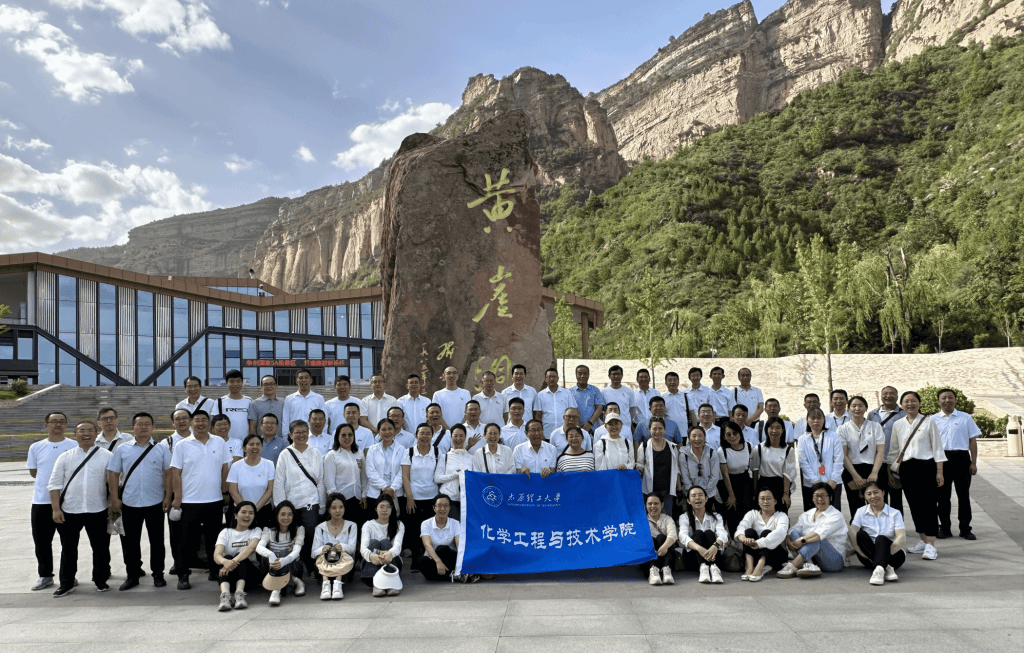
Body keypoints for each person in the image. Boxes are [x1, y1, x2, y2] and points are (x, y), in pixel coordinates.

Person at [48, 421, 113, 597]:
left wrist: (112, 505)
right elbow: (54, 484)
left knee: (100, 548)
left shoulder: (107, 455)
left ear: (96, 433)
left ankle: (100, 580)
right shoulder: (65, 457)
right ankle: (66, 583)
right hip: (70, 510)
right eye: (82, 430)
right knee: (68, 549)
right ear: (75, 434)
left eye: (90, 430)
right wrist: (56, 509)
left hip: (98, 509)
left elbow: (113, 483)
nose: (86, 434)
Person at [106, 412, 171, 591]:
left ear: (153, 427)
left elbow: (168, 474)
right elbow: (113, 474)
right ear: (132, 427)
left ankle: (158, 574)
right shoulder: (122, 449)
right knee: (130, 542)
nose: (143, 427)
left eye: (147, 424)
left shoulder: (162, 449)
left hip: (155, 502)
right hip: (129, 503)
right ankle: (132, 575)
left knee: (157, 541)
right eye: (139, 424)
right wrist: (114, 499)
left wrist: (167, 496)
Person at [170, 410, 232, 590]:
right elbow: (176, 473)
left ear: (209, 423)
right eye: (196, 420)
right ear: (191, 423)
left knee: (214, 539)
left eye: (204, 420)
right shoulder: (182, 445)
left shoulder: (219, 442)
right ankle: (183, 574)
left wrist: (224, 491)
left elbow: (225, 468)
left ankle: (214, 569)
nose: (200, 423)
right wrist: (177, 497)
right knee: (186, 541)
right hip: (189, 501)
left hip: (214, 500)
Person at [887, 390, 945, 561]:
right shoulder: (898, 424)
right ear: (901, 405)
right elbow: (894, 450)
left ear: (919, 403)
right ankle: (923, 539)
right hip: (907, 468)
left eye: (913, 401)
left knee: (929, 505)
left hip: (926, 467)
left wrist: (939, 471)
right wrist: (892, 469)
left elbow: (937, 447)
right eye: (906, 401)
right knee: (914, 505)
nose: (910, 404)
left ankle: (931, 545)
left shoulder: (929, 421)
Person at [27, 411, 77, 592]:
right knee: (41, 542)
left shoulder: (74, 445)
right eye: (54, 421)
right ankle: (45, 575)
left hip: (68, 502)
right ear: (46, 425)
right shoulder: (36, 447)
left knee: (69, 543)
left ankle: (69, 575)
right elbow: (34, 472)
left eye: (62, 421)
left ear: (66, 425)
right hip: (41, 501)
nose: (58, 424)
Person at [273, 420, 326, 576]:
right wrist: (281, 506)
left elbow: (320, 480)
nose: (301, 435)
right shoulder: (285, 454)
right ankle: (293, 567)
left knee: (311, 534)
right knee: (292, 536)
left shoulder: (315, 452)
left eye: (304, 432)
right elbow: (279, 482)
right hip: (291, 503)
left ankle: (311, 565)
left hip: (311, 502)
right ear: (291, 435)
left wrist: (322, 504)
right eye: (297, 432)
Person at [932, 388, 981, 540]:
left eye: (950, 397)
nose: (947, 400)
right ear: (939, 401)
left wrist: (973, 462)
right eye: (943, 398)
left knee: (964, 496)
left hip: (962, 458)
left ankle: (965, 529)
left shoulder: (965, 418)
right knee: (942, 497)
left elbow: (972, 441)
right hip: (941, 459)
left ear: (955, 400)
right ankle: (944, 528)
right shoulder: (932, 420)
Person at [777, 482, 848, 578]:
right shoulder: (806, 514)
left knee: (817, 539)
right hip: (815, 558)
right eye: (816, 496)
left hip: (834, 561)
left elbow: (820, 534)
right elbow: (794, 528)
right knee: (794, 533)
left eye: (823, 496)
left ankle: (793, 565)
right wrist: (788, 540)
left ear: (830, 498)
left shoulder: (836, 515)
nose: (820, 499)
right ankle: (810, 564)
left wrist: (802, 540)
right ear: (812, 497)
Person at [401, 418, 441, 568]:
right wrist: (409, 497)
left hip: (432, 497)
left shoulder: (437, 452)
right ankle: (415, 561)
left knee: (430, 529)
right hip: (414, 497)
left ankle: (429, 559)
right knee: (414, 529)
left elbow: (439, 475)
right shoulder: (409, 452)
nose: (424, 436)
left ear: (432, 435)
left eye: (428, 433)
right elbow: (405, 476)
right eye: (421, 433)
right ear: (416, 435)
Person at [849, 481, 906, 585]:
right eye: (869, 494)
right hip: (867, 556)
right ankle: (885, 567)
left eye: (876, 492)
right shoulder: (860, 511)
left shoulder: (895, 513)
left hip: (894, 555)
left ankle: (879, 568)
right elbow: (852, 532)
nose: (873, 496)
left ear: (883, 493)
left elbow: (901, 537)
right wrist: (859, 551)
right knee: (861, 535)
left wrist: (884, 555)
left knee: (881, 538)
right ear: (865, 497)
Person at [837, 396, 885, 520]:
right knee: (856, 504)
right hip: (851, 470)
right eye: (853, 406)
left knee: (876, 502)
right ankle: (859, 529)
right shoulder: (842, 429)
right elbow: (843, 454)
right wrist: (855, 475)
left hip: (872, 469)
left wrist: (874, 472)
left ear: (866, 408)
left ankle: (878, 528)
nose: (857, 408)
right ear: (848, 408)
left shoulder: (875, 426)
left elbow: (880, 451)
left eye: (860, 406)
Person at [213, 501, 262, 611]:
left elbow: (251, 548)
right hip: (229, 577)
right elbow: (217, 555)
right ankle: (225, 596)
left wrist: (232, 562)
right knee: (226, 558)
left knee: (240, 557)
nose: (247, 515)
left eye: (251, 513)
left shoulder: (256, 530)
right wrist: (225, 562)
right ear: (235, 515)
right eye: (243, 512)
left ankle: (240, 595)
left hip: (250, 577)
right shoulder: (226, 532)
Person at [256, 501, 305, 605]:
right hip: (272, 566)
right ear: (277, 515)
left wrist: (283, 561)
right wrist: (272, 556)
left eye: (289, 514)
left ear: (293, 516)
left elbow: (297, 551)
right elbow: (259, 547)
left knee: (284, 553)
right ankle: (296, 581)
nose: (286, 517)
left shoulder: (299, 529)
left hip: (293, 567)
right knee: (269, 555)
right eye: (282, 514)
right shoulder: (268, 530)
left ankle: (276, 590)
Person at [736, 487, 789, 582]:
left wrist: (759, 543)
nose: (765, 501)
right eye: (762, 498)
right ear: (758, 501)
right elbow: (742, 526)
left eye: (768, 498)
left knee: (766, 533)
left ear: (775, 501)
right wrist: (743, 538)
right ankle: (749, 566)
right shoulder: (752, 514)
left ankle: (760, 566)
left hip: (775, 556)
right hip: (754, 553)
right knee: (749, 532)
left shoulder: (782, 516)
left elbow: (781, 532)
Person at [795, 407, 844, 511]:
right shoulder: (802, 439)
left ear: (824, 420)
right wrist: (815, 482)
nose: (816, 420)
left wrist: (833, 479)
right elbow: (803, 462)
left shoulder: (833, 436)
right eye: (813, 418)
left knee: (833, 513)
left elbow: (839, 460)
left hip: (832, 483)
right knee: (813, 514)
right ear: (807, 420)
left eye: (819, 418)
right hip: (811, 485)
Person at [420, 494, 476, 582]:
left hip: (449, 559)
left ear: (450, 508)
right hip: (434, 559)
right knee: (421, 561)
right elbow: (427, 545)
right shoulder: (426, 524)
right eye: (439, 506)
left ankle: (450, 574)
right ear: (434, 508)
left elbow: (459, 543)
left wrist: (460, 563)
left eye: (446, 506)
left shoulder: (455, 523)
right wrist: (438, 561)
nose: (442, 509)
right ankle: (454, 576)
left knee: (442, 549)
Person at [678, 486, 728, 584]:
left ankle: (714, 568)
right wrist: (699, 549)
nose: (697, 498)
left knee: (709, 533)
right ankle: (703, 568)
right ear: (688, 501)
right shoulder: (684, 517)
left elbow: (723, 534)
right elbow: (683, 536)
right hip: (693, 558)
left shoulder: (716, 516)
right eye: (693, 496)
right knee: (698, 533)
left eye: (700, 495)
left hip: (714, 555)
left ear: (706, 499)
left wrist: (715, 546)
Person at [312, 493, 358, 600]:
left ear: (344, 508)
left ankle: (338, 585)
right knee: (328, 547)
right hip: (323, 569)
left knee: (338, 550)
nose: (338, 510)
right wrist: (322, 549)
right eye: (334, 508)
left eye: (341, 507)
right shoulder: (320, 528)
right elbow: (313, 553)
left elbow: (352, 550)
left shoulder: (351, 526)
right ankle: (325, 585)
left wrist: (342, 547)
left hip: (345, 568)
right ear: (328, 509)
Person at [163, 408, 192, 577]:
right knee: (176, 530)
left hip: (196, 491)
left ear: (190, 420)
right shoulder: (166, 443)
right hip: (175, 492)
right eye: (178, 419)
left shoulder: (201, 438)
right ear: (173, 423)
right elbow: (165, 471)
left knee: (193, 529)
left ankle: (193, 559)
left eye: (185, 418)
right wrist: (169, 495)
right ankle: (178, 561)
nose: (181, 421)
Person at [868, 386, 905, 511]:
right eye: (885, 393)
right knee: (877, 497)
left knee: (896, 498)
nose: (888, 396)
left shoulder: (903, 414)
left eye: (892, 393)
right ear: (881, 395)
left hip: (895, 463)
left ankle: (896, 523)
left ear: (897, 396)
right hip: (876, 464)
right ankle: (879, 522)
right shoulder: (872, 414)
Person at [226, 434, 276, 527]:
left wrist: (254, 510)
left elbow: (270, 490)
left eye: (258, 444)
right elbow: (233, 491)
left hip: (263, 510)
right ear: (244, 448)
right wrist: (246, 510)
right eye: (251, 444)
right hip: (241, 511)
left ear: (261, 447)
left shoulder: (269, 464)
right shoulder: (236, 466)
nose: (255, 447)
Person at [750, 417, 796, 515]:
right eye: (771, 427)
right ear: (766, 430)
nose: (774, 431)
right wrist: (755, 492)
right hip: (763, 485)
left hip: (780, 486)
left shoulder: (788, 450)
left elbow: (787, 473)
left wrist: (786, 493)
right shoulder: (759, 448)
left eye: (778, 428)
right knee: (763, 516)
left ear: (783, 430)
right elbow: (754, 471)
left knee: (780, 515)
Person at [360, 495, 405, 596]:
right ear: (376, 508)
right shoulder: (368, 525)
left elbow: (397, 545)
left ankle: (391, 583)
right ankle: (376, 585)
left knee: (385, 542)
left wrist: (390, 554)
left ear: (392, 509)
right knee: (374, 543)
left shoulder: (398, 524)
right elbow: (363, 547)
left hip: (392, 560)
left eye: (388, 506)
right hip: (371, 561)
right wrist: (371, 556)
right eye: (381, 506)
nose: (385, 510)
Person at [323, 423, 366, 525]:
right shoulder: (332, 455)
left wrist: (364, 495)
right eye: (343, 435)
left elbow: (364, 476)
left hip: (358, 499)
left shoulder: (359, 453)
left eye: (350, 435)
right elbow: (329, 480)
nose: (347, 437)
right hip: (341, 501)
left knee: (357, 528)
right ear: (337, 437)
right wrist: (335, 501)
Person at [717, 420, 753, 536]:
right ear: (724, 437)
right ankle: (734, 539)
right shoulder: (722, 451)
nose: (732, 437)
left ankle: (746, 538)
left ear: (740, 433)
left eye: (735, 433)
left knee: (746, 510)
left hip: (744, 480)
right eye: (728, 434)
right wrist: (731, 495)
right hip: (728, 483)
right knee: (732, 512)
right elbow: (725, 475)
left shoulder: (749, 446)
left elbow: (752, 467)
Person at [637, 418, 679, 516]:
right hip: (650, 490)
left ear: (664, 429)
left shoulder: (672, 447)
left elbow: (676, 467)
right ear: (649, 430)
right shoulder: (644, 447)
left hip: (667, 490)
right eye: (654, 428)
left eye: (660, 428)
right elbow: (639, 464)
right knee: (652, 517)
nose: (657, 431)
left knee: (667, 517)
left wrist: (678, 485)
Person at [364, 419, 406, 509]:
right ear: (379, 432)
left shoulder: (402, 449)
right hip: (375, 493)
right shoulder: (372, 450)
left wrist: (392, 488)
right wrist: (385, 487)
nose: (387, 432)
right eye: (383, 429)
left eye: (390, 429)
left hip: (396, 492)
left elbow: (402, 472)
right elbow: (370, 471)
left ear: (394, 430)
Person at [434, 423, 474, 515]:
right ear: (451, 437)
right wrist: (454, 475)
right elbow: (437, 478)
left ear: (465, 437)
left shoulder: (471, 458)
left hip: (466, 500)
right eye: (455, 436)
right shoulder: (445, 457)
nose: (458, 438)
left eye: (461, 435)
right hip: (448, 499)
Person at [679, 426, 721, 512]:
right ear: (689, 439)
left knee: (708, 516)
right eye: (694, 436)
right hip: (691, 495)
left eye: (700, 436)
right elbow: (685, 478)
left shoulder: (712, 453)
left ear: (705, 438)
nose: (697, 439)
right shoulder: (683, 455)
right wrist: (694, 495)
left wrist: (704, 494)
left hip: (709, 494)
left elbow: (715, 476)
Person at [642, 494, 676, 585]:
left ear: (662, 505)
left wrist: (665, 546)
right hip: (649, 557)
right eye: (650, 504)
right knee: (650, 539)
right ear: (646, 505)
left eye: (656, 503)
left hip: (665, 553)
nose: (653, 506)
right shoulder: (642, 520)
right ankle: (653, 570)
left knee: (661, 537)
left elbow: (673, 535)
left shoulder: (668, 519)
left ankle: (666, 570)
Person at [281, 369, 326, 436]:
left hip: (313, 436)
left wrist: (322, 436)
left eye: (306, 377)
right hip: (295, 436)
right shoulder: (289, 399)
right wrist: (285, 437)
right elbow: (285, 420)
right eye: (301, 378)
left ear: (311, 380)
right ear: (297, 381)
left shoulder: (319, 398)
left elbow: (323, 420)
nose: (304, 380)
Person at [212, 369, 252, 442]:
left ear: (242, 382)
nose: (235, 384)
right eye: (232, 381)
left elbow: (252, 424)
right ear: (227, 383)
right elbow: (214, 425)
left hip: (245, 443)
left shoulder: (249, 401)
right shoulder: (219, 402)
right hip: (224, 443)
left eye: (238, 381)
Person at [536, 368, 577, 439]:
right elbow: (538, 415)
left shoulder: (567, 393)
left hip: (565, 432)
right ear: (545, 379)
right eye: (549, 377)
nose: (551, 379)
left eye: (554, 377)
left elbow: (573, 412)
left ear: (557, 378)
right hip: (547, 433)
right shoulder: (540, 395)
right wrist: (540, 432)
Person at [570, 364, 605, 435]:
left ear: (588, 375)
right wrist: (578, 425)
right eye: (580, 374)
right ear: (576, 375)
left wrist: (590, 423)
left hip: (593, 428)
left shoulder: (595, 390)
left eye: (585, 373)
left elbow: (599, 408)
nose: (582, 376)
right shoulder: (569, 392)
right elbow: (569, 410)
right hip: (575, 429)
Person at [602, 365, 638, 432]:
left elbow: (632, 410)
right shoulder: (603, 392)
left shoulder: (629, 392)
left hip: (625, 426)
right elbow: (601, 411)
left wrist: (627, 420)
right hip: (609, 428)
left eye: (618, 374)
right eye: (613, 374)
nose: (616, 376)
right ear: (609, 376)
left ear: (622, 376)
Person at [248, 374, 284, 439]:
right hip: (261, 442)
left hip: (280, 441)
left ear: (276, 386)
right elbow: (253, 426)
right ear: (261, 386)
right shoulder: (254, 403)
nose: (269, 386)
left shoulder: (283, 402)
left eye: (271, 384)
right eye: (265, 384)